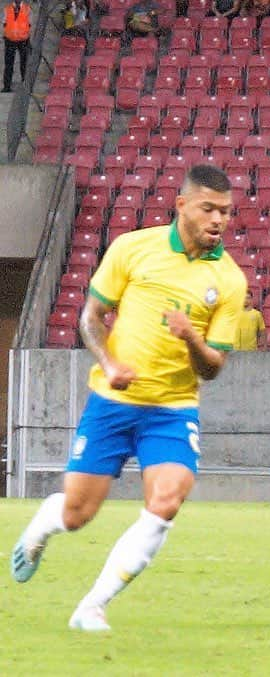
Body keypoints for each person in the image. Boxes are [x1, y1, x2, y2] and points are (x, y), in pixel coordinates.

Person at [10, 165, 245, 631]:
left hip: (173, 409)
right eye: (209, 209)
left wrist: (191, 338)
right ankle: (44, 522)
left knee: (168, 500)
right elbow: (91, 317)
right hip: (112, 403)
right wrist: (110, 362)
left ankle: (92, 606)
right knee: (77, 515)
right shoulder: (134, 247)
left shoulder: (229, 280)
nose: (218, 220)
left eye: (226, 212)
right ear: (182, 206)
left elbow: (213, 367)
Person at [3, 0, 30, 93]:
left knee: (24, 63)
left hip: (23, 40)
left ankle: (25, 84)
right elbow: (3, 23)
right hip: (10, 40)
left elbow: (30, 24)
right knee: (9, 64)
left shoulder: (27, 10)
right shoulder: (7, 9)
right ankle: (7, 86)